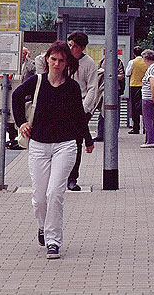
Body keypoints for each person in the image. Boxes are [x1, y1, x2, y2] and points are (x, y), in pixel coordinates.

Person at [12, 40, 93, 260]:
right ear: (47, 59)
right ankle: (42, 226)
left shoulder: (72, 87)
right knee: (39, 198)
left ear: (67, 63)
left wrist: (87, 140)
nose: (57, 64)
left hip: (65, 145)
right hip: (38, 144)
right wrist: (21, 123)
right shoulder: (36, 82)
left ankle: (53, 241)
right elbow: (16, 97)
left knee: (55, 193)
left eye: (61, 60)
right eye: (53, 59)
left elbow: (79, 116)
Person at [66, 31, 101, 191]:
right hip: (63, 107)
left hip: (80, 106)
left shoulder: (89, 63)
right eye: (70, 45)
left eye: (74, 46)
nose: (71, 48)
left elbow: (92, 87)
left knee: (76, 142)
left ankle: (73, 177)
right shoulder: (64, 59)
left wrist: (85, 110)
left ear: (83, 48)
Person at [93, 54, 124, 141]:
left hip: (114, 91)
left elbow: (121, 76)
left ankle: (112, 133)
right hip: (103, 90)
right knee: (102, 113)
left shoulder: (118, 62)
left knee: (114, 113)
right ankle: (101, 134)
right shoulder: (102, 61)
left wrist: (108, 75)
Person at [138, 49, 154, 148]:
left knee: (147, 119)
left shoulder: (151, 69)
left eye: (143, 58)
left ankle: (150, 141)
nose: (143, 61)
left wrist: (153, 96)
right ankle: (151, 139)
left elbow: (153, 84)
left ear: (147, 58)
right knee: (152, 119)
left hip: (149, 98)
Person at [125, 46, 144, 133]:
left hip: (134, 85)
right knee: (144, 107)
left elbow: (127, 73)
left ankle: (136, 127)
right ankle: (145, 128)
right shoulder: (145, 62)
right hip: (144, 86)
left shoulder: (132, 62)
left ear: (134, 53)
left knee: (134, 107)